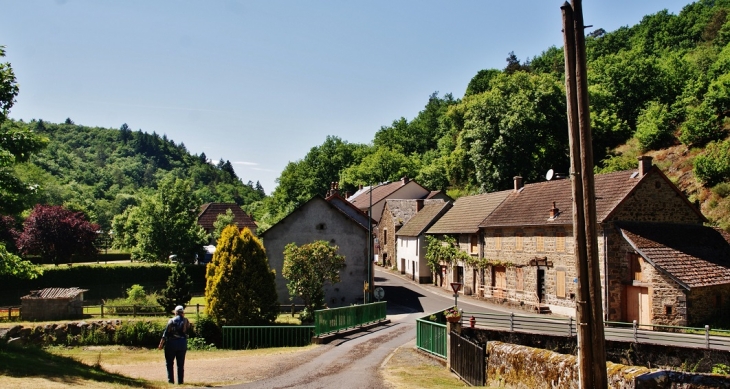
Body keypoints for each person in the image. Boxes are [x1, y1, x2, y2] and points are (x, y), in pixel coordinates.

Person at [159, 305, 191, 384]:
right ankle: (180, 381)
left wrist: (161, 344)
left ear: (175, 313)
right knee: (180, 364)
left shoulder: (171, 321)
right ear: (183, 313)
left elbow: (165, 334)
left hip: (171, 344)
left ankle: (171, 381)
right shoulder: (186, 321)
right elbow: (189, 331)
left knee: (169, 363)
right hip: (182, 344)